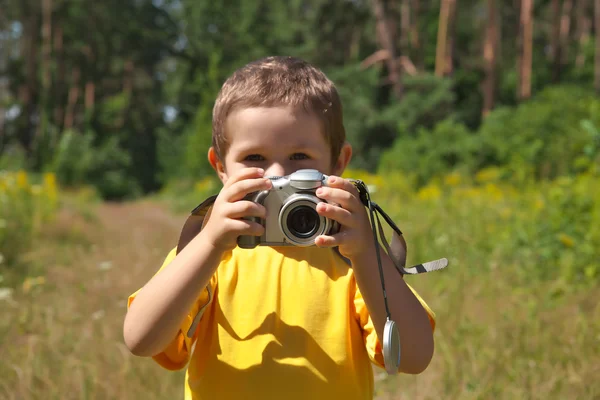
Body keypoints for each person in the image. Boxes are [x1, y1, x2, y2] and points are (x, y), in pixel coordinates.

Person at [123, 56, 437, 400]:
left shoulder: (349, 260)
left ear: (338, 164)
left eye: (299, 157)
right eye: (254, 159)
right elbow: (141, 340)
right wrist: (210, 242)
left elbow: (414, 357)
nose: (277, 176)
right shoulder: (212, 256)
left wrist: (366, 252)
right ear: (221, 168)